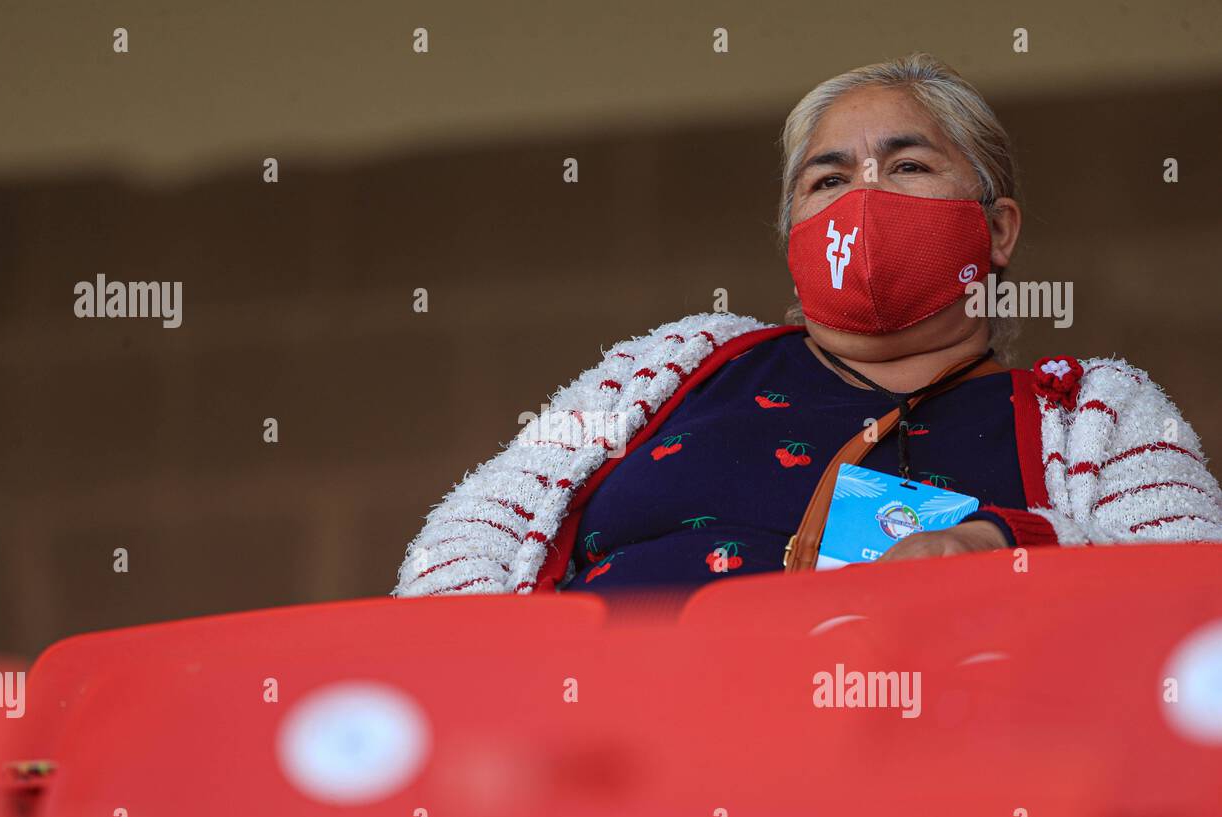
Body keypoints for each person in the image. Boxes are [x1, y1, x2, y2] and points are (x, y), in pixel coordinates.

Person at [394, 53, 1222, 598]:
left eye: (906, 166)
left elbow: (1190, 595)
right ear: (791, 234)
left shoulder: (1092, 413)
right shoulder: (672, 364)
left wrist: (1001, 545)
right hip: (601, 772)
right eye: (827, 179)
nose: (862, 199)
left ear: (997, 229)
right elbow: (466, 539)